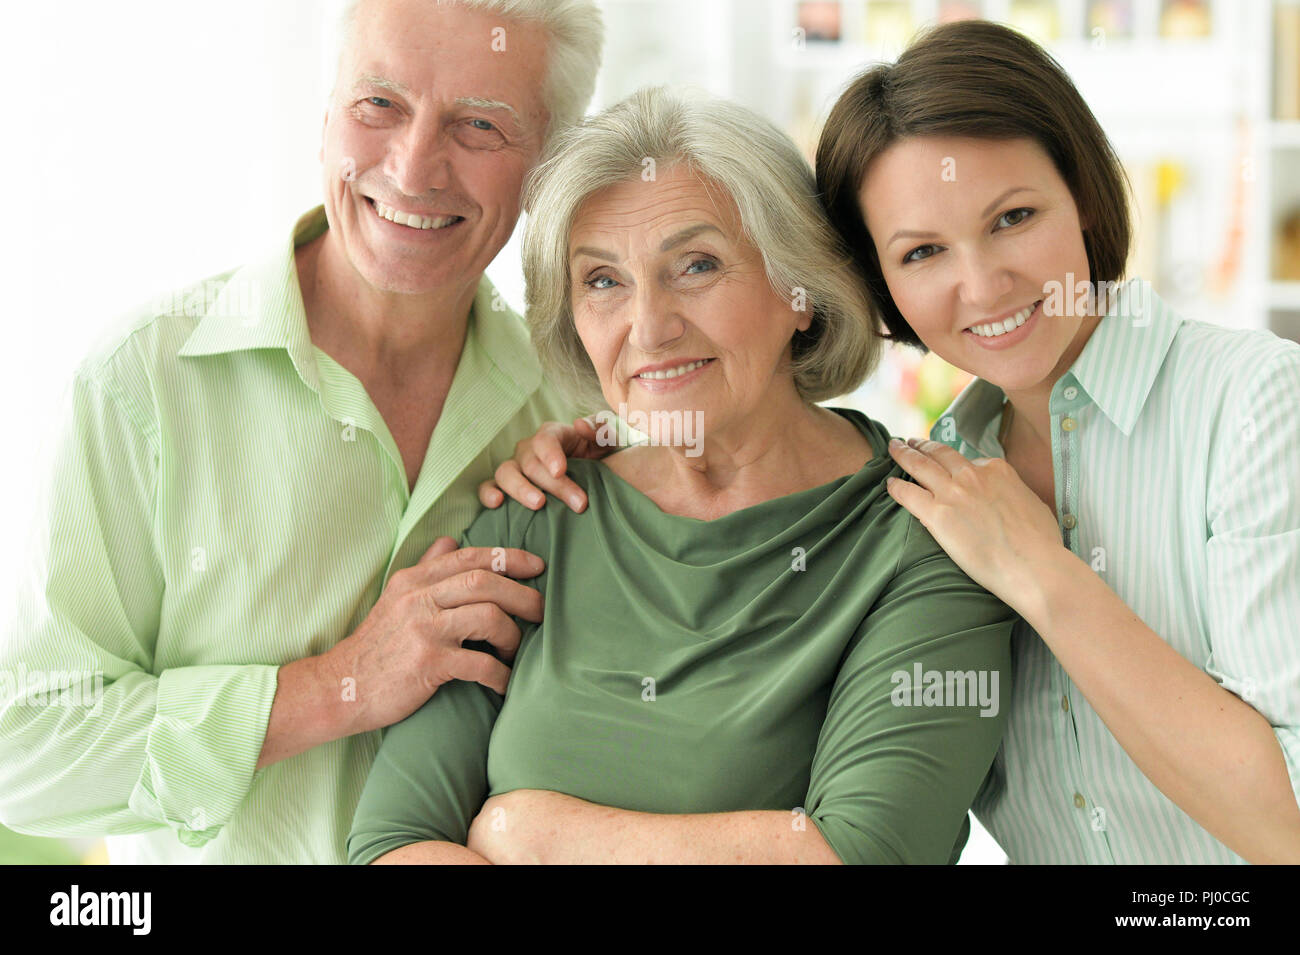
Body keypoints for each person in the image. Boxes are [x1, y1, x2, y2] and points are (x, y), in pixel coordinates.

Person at [492, 20, 1300, 864]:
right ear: (879, 286)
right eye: (922, 252)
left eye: (1014, 217)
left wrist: (1045, 576)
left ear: (1086, 195)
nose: (982, 284)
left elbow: (1290, 821)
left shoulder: (1255, 406)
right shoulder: (936, 482)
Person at [0, 0, 603, 864]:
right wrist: (341, 684)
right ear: (326, 116)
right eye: (379, 105)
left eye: (478, 124)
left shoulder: (574, 413)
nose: (413, 167)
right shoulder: (145, 381)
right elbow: (25, 748)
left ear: (548, 171)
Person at [347, 86, 1014, 865]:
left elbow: (863, 855)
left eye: (696, 265)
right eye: (603, 280)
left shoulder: (926, 534)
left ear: (800, 291)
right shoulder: (533, 516)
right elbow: (394, 844)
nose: (649, 326)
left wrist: (530, 835)